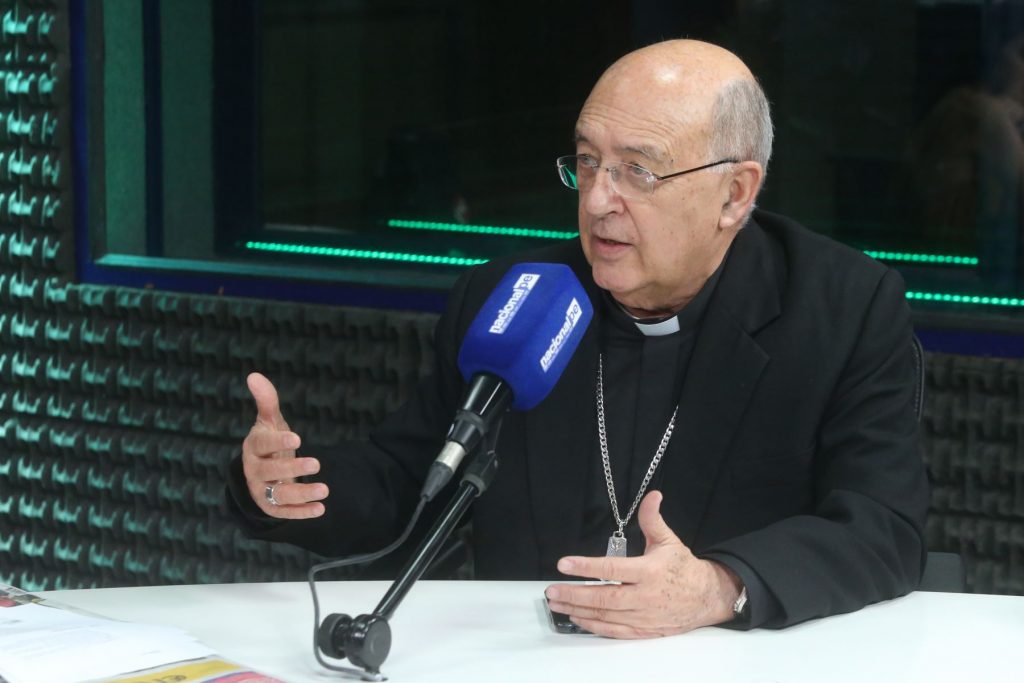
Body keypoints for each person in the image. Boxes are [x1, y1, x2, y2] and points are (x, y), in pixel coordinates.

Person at [226, 39, 929, 638]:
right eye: (587, 162)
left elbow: (882, 525)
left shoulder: (843, 310)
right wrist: (290, 485)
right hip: (524, 662)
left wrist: (721, 586)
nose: (596, 200)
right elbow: (412, 482)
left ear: (735, 193)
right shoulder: (512, 301)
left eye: (637, 171)